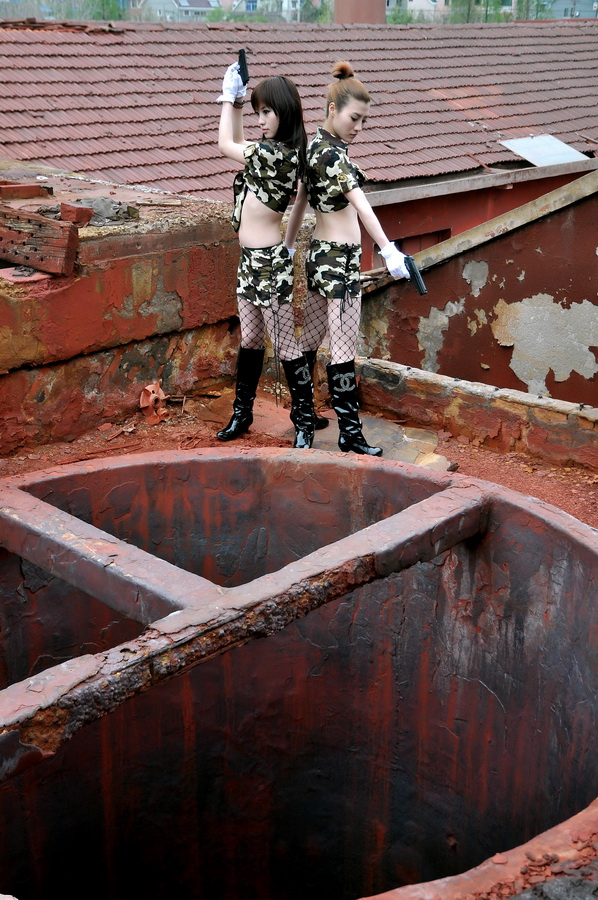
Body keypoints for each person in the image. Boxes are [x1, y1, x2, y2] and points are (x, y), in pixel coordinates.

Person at [285, 60, 410, 457]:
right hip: (339, 262)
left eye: (364, 121)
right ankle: (350, 434)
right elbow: (362, 206)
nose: (359, 127)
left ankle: (303, 418)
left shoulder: (313, 148)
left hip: (317, 256)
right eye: (354, 118)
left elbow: (301, 202)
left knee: (308, 340)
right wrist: (388, 249)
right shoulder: (335, 158)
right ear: (332, 110)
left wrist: (289, 246)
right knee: (342, 349)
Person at [216, 61, 318, 449]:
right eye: (258, 112)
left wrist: (229, 98)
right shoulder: (274, 151)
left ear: (284, 112)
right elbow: (240, 142)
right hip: (251, 261)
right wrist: (238, 102)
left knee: (285, 345)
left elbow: (226, 144)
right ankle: (242, 413)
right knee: (252, 339)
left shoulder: (277, 154)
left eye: (267, 112)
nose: (261, 120)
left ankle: (304, 421)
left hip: (269, 264)